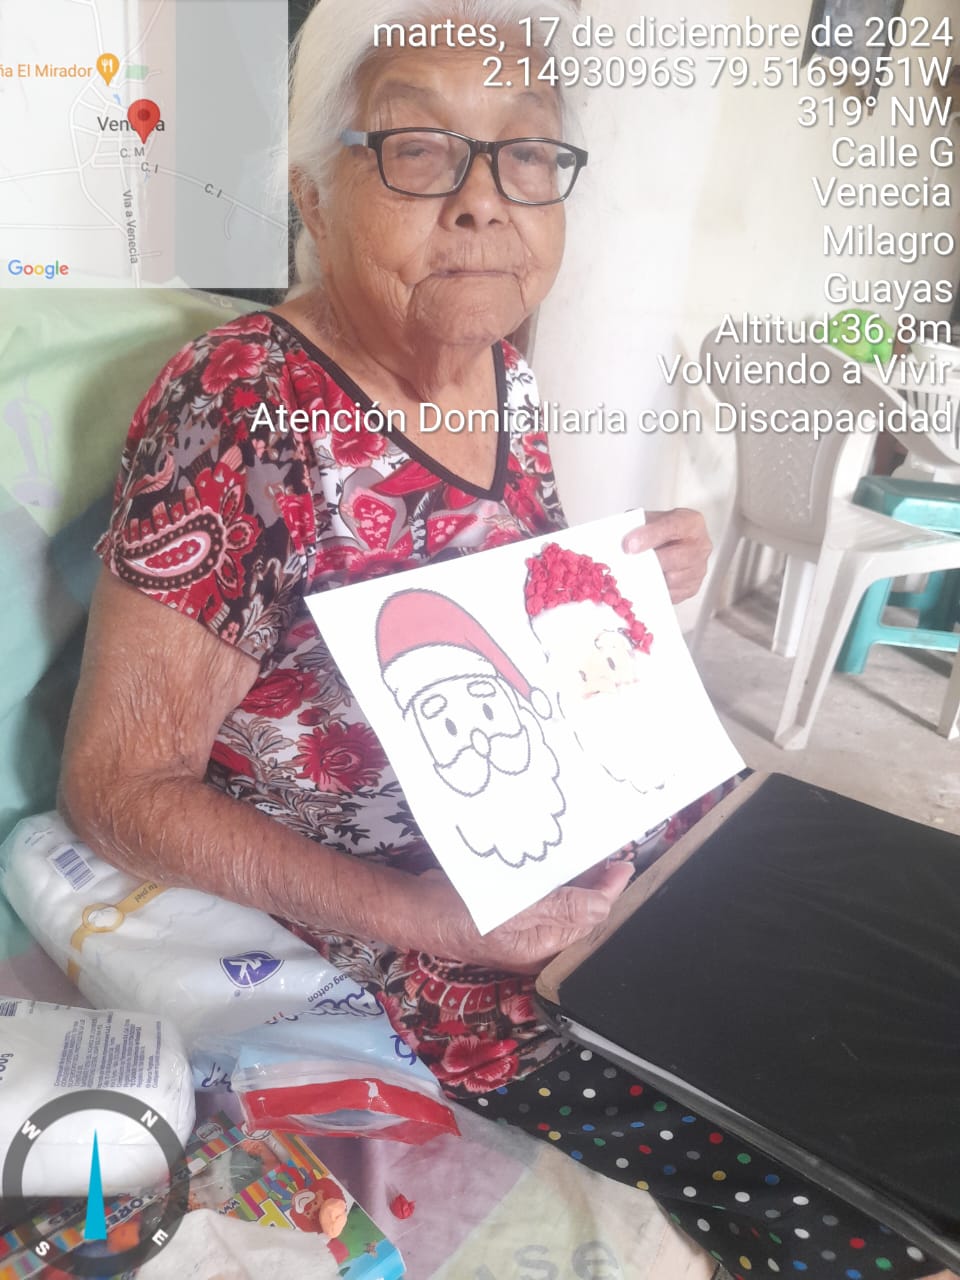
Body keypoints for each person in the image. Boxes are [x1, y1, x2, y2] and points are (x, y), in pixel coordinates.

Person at [58, 3, 954, 1278]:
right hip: (467, 940)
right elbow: (115, 787)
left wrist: (616, 577)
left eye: (526, 152)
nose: (485, 201)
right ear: (311, 194)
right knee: (871, 1198)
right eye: (419, 148)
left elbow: (505, 602)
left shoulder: (506, 374)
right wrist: (427, 916)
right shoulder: (243, 403)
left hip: (648, 833)